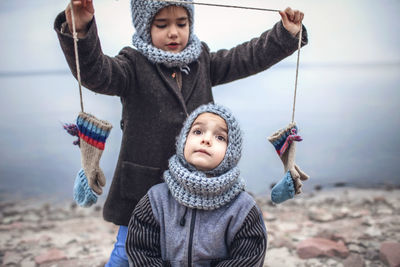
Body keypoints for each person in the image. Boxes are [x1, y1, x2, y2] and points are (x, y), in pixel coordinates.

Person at [54, 0, 307, 265]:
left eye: (181, 23)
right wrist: (80, 30)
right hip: (141, 189)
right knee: (127, 253)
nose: (173, 32)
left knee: (185, 252)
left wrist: (285, 34)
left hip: (193, 188)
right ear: (144, 27)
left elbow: (245, 58)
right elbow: (97, 73)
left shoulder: (202, 61)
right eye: (162, 25)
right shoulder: (132, 64)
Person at [126, 103, 267, 266]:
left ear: (232, 152)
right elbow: (140, 251)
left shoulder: (243, 208)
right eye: (198, 131)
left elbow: (247, 258)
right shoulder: (156, 199)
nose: (206, 139)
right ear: (183, 140)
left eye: (220, 137)